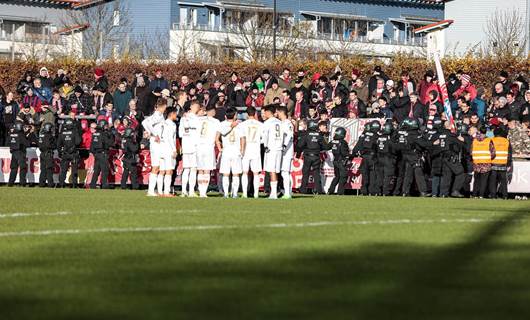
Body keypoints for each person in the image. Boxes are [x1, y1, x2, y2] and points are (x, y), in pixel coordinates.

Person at [394, 118, 431, 197]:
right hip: (414, 155)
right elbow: (424, 144)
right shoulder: (415, 134)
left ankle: (405, 192)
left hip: (406, 155)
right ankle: (423, 191)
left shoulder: (404, 133)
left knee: (408, 175)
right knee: (419, 174)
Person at [216, 107, 243, 198]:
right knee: (235, 174)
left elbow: (217, 138)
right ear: (235, 115)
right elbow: (243, 139)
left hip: (227, 151)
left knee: (226, 174)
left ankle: (227, 193)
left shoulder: (221, 124)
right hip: (235, 151)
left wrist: (220, 148)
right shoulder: (239, 124)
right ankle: (233, 193)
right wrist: (242, 150)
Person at [142, 98, 167, 196]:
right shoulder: (156, 115)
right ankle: (151, 190)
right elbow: (145, 123)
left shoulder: (160, 115)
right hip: (155, 143)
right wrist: (154, 134)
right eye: (165, 107)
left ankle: (155, 190)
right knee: (155, 166)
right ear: (163, 106)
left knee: (159, 167)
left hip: (159, 143)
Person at [297, 119, 327, 195]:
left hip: (307, 156)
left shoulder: (305, 134)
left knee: (305, 173)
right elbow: (325, 146)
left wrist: (298, 154)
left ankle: (303, 189)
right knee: (316, 173)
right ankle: (319, 190)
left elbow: (299, 145)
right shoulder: (319, 135)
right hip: (316, 156)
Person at [239, 106, 263, 198]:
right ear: (255, 113)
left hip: (245, 150)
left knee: (245, 172)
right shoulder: (260, 125)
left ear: (246, 114)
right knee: (256, 173)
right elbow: (263, 138)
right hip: (255, 149)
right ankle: (256, 194)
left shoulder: (242, 124)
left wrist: (241, 150)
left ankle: (244, 193)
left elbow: (242, 138)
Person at [196, 105, 221, 198]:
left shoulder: (198, 119)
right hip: (208, 147)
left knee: (200, 170)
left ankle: (201, 191)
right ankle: (203, 192)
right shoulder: (216, 121)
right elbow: (217, 136)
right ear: (213, 111)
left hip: (198, 146)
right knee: (206, 170)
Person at [179, 101, 201, 197]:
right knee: (192, 169)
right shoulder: (196, 119)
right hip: (194, 146)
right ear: (191, 107)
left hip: (186, 145)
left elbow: (180, 133)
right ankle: (190, 191)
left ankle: (184, 191)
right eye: (196, 106)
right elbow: (199, 133)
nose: (198, 108)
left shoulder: (183, 118)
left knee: (187, 169)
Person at [262, 105, 284, 199]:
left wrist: (265, 146)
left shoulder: (267, 123)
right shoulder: (280, 122)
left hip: (271, 148)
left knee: (272, 171)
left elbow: (265, 136)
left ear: (268, 112)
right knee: (276, 171)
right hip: (279, 148)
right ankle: (276, 191)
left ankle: (274, 193)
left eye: (264, 112)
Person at [352, 120, 380, 196]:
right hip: (373, 157)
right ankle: (371, 191)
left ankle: (363, 191)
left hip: (364, 157)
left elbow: (357, 147)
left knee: (365, 175)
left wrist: (353, 155)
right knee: (373, 175)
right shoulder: (377, 136)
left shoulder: (363, 135)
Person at [439, 121, 466, 198]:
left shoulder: (441, 135)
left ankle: (443, 193)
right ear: (450, 126)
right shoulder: (450, 135)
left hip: (443, 157)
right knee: (460, 172)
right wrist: (462, 140)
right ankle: (455, 190)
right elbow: (460, 144)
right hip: (450, 157)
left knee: (447, 176)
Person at [158, 107, 178, 197]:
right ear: (172, 114)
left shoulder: (162, 123)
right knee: (169, 171)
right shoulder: (172, 125)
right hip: (168, 149)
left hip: (161, 148)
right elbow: (170, 138)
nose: (176, 115)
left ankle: (159, 191)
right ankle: (166, 191)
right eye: (175, 113)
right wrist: (174, 149)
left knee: (162, 171)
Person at [57, 118, 82, 188]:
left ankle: (61, 184)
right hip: (73, 153)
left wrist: (60, 152)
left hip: (65, 154)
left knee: (63, 170)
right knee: (74, 170)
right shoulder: (74, 132)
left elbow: (58, 144)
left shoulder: (62, 133)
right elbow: (78, 142)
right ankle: (74, 184)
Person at [89, 119, 113, 189]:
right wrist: (110, 136)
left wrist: (95, 153)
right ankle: (105, 185)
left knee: (96, 171)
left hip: (96, 154)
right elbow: (110, 143)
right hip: (103, 153)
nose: (107, 127)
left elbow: (91, 146)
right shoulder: (104, 134)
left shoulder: (95, 134)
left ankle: (92, 185)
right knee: (104, 170)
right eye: (106, 126)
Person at [489, 127, 512, 199]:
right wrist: (508, 163)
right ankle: (505, 196)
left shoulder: (492, 140)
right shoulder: (506, 141)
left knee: (493, 181)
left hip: (493, 163)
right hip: (503, 163)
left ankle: (493, 195)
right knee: (503, 181)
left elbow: (489, 151)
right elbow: (509, 153)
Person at [277, 105, 294, 199]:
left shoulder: (287, 123)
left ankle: (287, 193)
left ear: (281, 112)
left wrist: (284, 146)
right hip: (284, 151)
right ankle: (288, 192)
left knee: (285, 172)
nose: (277, 114)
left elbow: (290, 135)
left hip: (286, 152)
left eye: (278, 112)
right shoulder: (282, 123)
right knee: (285, 172)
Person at [471, 126, 493, 198]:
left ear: (479, 131)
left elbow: (471, 152)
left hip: (476, 163)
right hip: (486, 163)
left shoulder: (474, 140)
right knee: (483, 181)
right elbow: (493, 153)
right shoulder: (489, 140)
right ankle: (481, 195)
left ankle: (474, 194)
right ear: (486, 132)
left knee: (476, 180)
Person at [375, 121, 395, 196]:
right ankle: (385, 192)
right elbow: (393, 149)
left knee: (380, 175)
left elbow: (375, 147)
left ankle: (377, 191)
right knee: (387, 175)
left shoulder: (379, 137)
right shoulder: (389, 138)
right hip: (387, 158)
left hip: (379, 157)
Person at [327, 127, 349, 195]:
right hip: (341, 161)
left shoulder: (332, 141)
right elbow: (344, 152)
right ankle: (340, 192)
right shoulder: (343, 142)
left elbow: (326, 147)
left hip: (335, 160)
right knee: (343, 177)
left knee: (337, 177)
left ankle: (330, 190)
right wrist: (349, 155)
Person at [7, 121, 29, 187]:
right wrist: (26, 135)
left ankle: (10, 183)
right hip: (20, 152)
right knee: (23, 168)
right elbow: (27, 143)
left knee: (13, 168)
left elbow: (8, 142)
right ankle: (22, 183)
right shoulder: (21, 134)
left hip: (14, 153)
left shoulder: (11, 134)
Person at [38, 123, 56, 188]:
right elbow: (50, 145)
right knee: (49, 169)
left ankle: (41, 183)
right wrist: (53, 146)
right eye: (51, 128)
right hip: (48, 153)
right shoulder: (49, 136)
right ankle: (50, 184)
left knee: (43, 169)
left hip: (42, 153)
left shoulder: (41, 135)